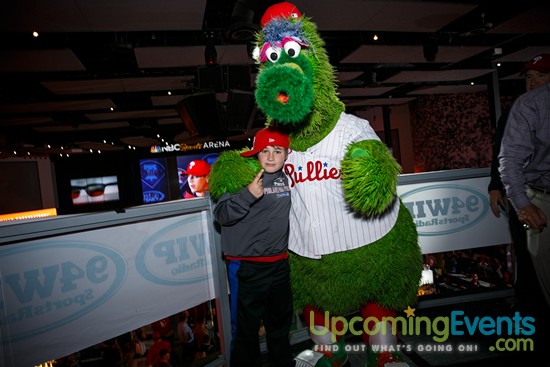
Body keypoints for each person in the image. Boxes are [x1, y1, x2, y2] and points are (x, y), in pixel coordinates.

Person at [213, 127, 294, 367]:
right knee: (246, 332)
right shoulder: (241, 175)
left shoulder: (289, 176)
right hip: (247, 268)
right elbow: (221, 215)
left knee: (280, 327)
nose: (270, 157)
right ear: (255, 154)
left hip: (280, 265)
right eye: (265, 151)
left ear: (286, 154)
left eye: (277, 151)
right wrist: (248, 194)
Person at [489, 54, 550, 310]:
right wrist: (496, 185)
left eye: (541, 75)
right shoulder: (521, 109)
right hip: (528, 194)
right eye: (529, 77)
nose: (533, 82)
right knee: (528, 261)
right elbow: (503, 154)